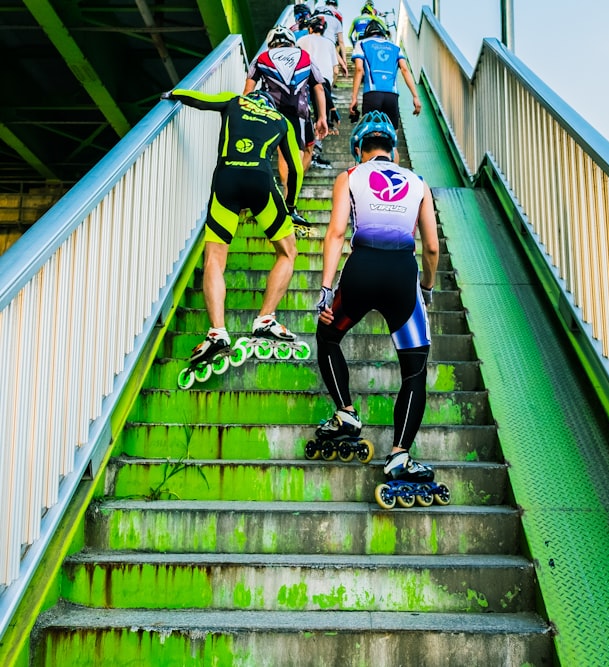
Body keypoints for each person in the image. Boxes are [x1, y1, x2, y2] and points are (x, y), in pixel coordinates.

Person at [315, 111, 440, 485]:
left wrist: (326, 291)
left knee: (328, 337)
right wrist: (427, 289)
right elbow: (431, 248)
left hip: (361, 269)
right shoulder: (419, 182)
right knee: (414, 369)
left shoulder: (349, 176)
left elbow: (336, 233)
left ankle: (346, 413)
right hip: (403, 275)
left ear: (358, 149)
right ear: (394, 152)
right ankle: (399, 455)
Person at [159, 88, 306, 367]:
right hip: (261, 182)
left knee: (214, 258)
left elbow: (200, 99)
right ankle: (265, 319)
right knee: (288, 252)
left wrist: (172, 93)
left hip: (226, 178)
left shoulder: (234, 100)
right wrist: (291, 205)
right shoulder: (280, 119)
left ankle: (217, 332)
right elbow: (295, 169)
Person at [244, 26, 328, 195]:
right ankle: (290, 196)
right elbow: (319, 87)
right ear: (292, 42)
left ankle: (289, 190)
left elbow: (248, 92)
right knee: (305, 152)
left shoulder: (262, 57)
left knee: (285, 153)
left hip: (271, 112)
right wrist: (322, 117)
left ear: (270, 43)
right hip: (300, 112)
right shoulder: (305, 56)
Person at [349, 20, 421, 129]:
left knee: (369, 132)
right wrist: (415, 96)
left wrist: (354, 97)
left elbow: (359, 70)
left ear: (367, 34)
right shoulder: (396, 48)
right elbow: (405, 70)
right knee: (393, 134)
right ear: (383, 34)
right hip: (392, 95)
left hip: (371, 93)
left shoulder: (361, 44)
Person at [297, 14, 348, 143]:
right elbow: (335, 70)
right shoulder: (330, 43)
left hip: (305, 77)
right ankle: (325, 127)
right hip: (325, 79)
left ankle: (309, 132)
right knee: (322, 94)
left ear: (310, 28)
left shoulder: (302, 40)